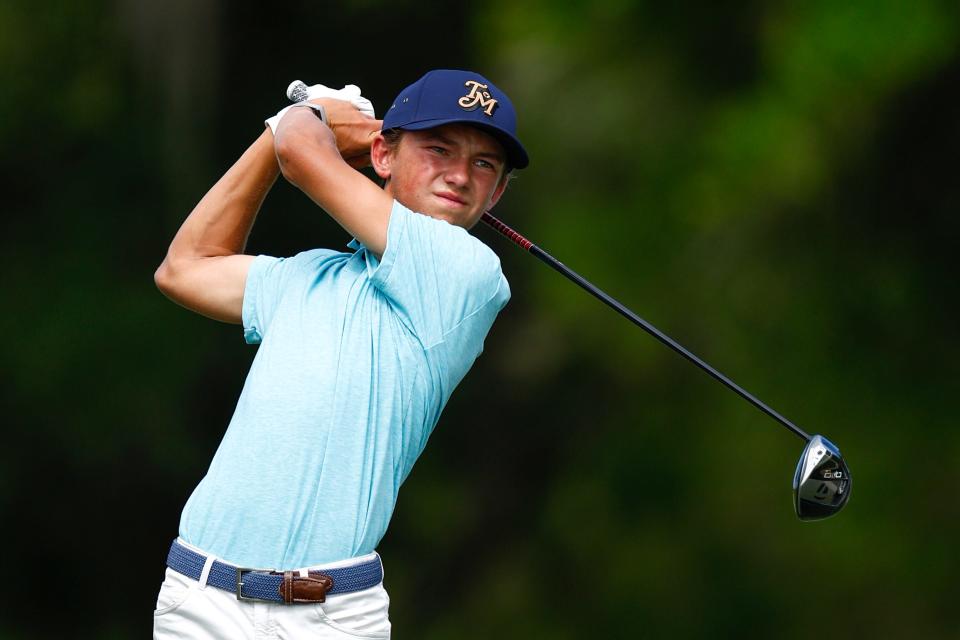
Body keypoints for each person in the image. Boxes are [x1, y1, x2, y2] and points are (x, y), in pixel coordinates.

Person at [152, 69, 529, 638]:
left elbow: (304, 155)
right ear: (383, 155)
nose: (458, 175)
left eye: (483, 164)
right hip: (200, 598)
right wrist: (274, 134)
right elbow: (184, 269)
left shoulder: (470, 276)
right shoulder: (308, 275)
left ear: (496, 192)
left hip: (329, 616)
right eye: (438, 149)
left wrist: (313, 120)